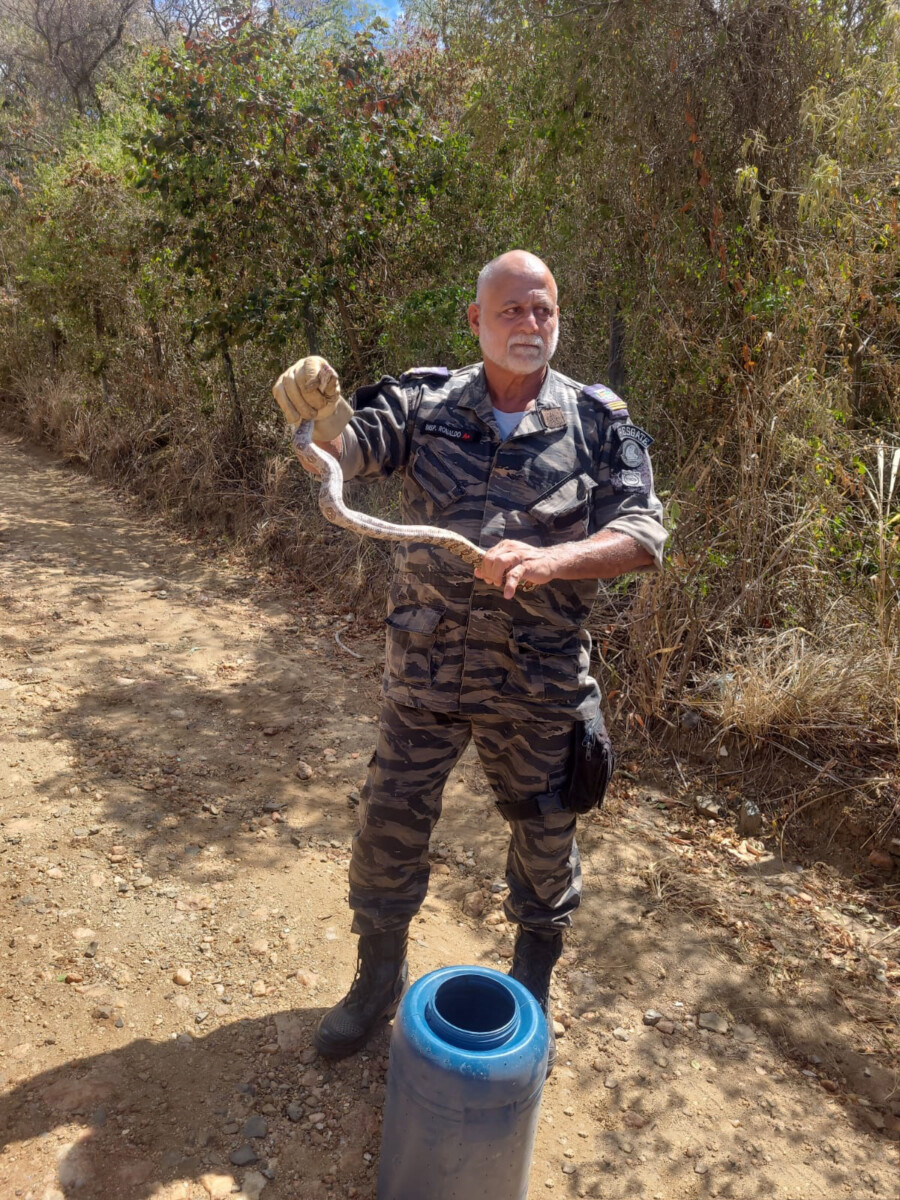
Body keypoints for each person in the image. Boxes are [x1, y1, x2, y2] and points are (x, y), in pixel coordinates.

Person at [272, 251, 666, 1071]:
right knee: (387, 823)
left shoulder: (599, 423)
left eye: (543, 311)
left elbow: (643, 535)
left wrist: (554, 561)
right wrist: (321, 410)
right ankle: (377, 982)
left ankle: (530, 987)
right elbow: (345, 451)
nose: (530, 325)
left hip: (539, 684)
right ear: (477, 322)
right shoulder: (424, 402)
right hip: (425, 676)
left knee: (545, 839)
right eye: (512, 311)